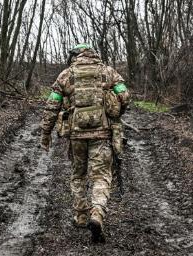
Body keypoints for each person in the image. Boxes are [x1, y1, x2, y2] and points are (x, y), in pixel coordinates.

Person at [40, 44, 130, 243]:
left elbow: (52, 106)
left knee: (78, 175)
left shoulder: (65, 75)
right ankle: (97, 214)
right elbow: (125, 96)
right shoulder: (108, 72)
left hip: (76, 136)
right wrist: (115, 110)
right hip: (102, 134)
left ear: (75, 56)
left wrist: (45, 134)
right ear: (93, 54)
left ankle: (81, 216)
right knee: (101, 177)